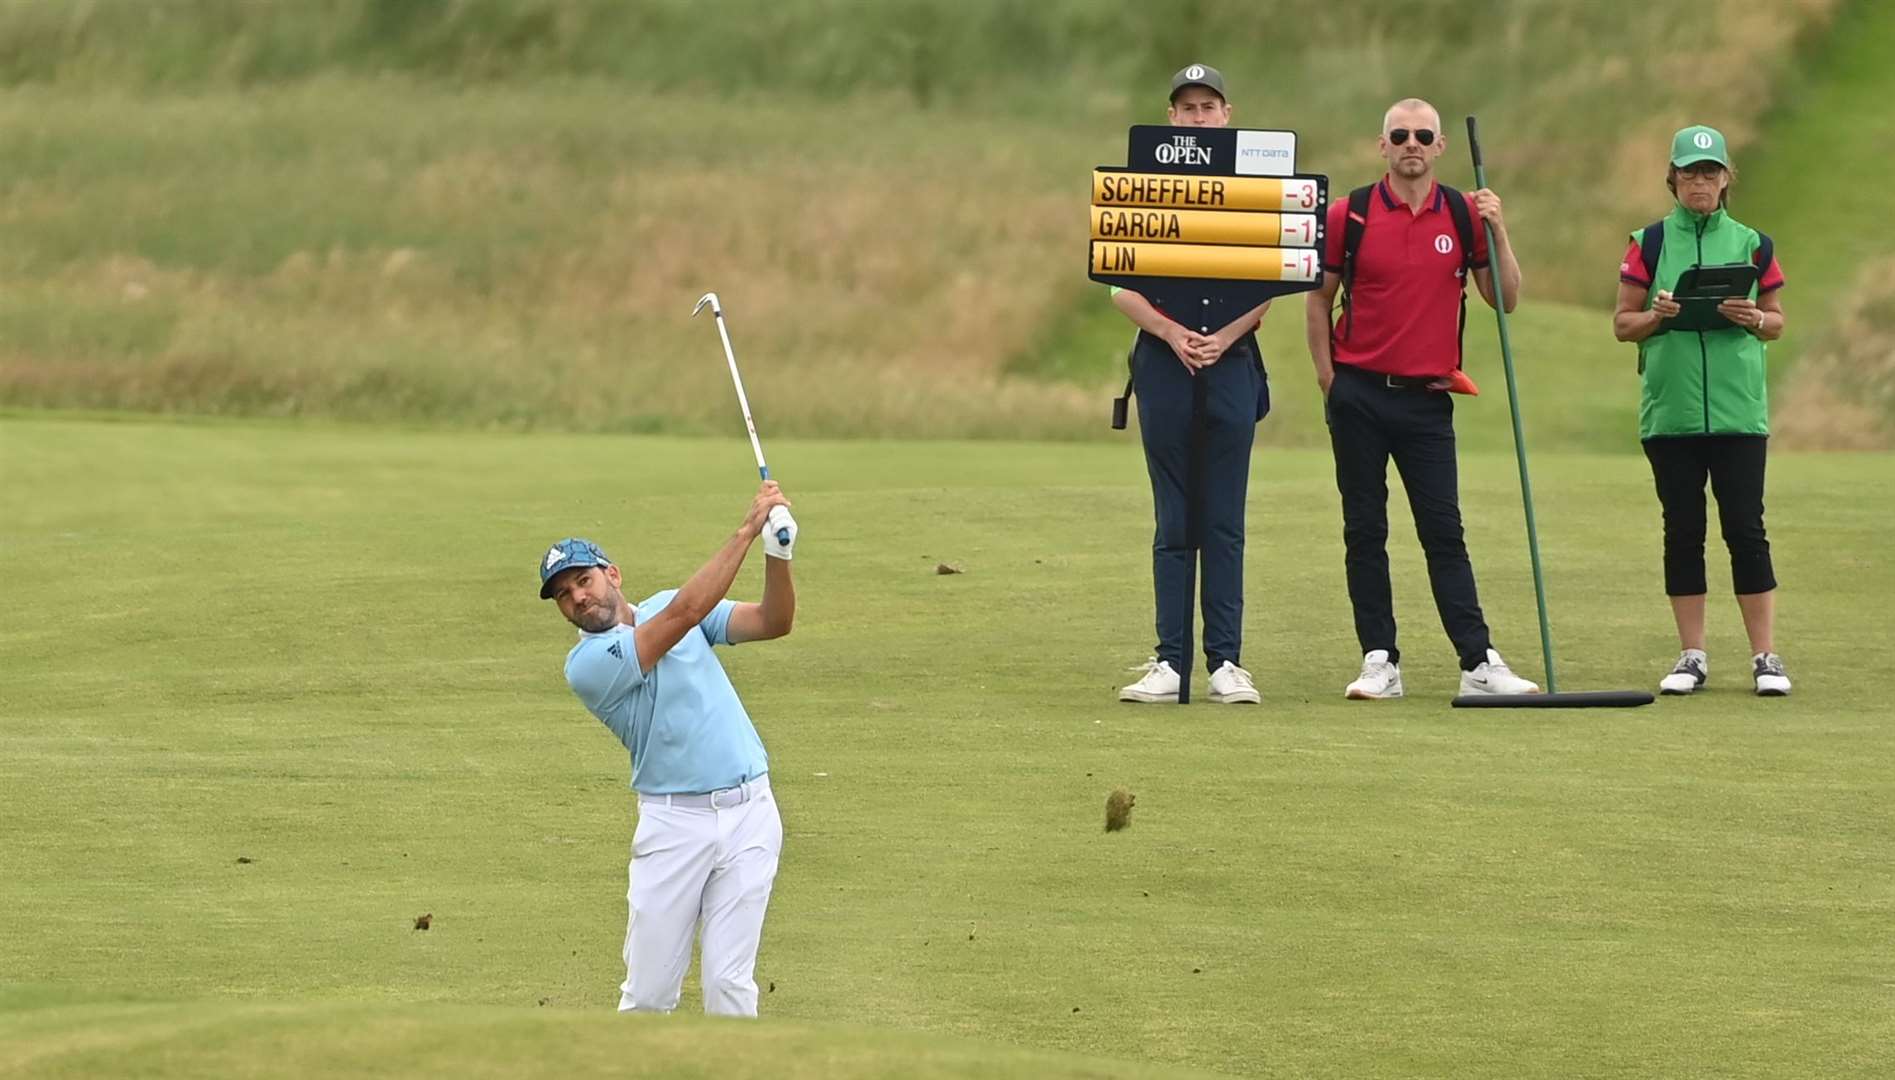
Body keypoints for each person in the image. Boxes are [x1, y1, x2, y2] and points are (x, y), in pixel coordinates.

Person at [1302, 97, 1539, 699]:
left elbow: (1504, 299)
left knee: (1443, 531)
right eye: (1400, 134)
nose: (1411, 144)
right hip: (1357, 392)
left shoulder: (1462, 214)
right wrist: (1329, 380)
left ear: (1439, 147)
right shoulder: (1350, 213)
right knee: (1365, 529)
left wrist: (1500, 230)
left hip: (1428, 399)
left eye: (1423, 135)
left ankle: (1478, 660)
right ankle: (1379, 659)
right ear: (1383, 145)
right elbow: (1317, 299)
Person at [537, 481, 798, 1015]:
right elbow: (680, 616)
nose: (578, 598)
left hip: (751, 813)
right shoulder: (587, 666)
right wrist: (746, 529)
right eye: (564, 595)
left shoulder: (664, 606)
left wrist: (778, 551)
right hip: (674, 827)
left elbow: (774, 622)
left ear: (612, 575)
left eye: (583, 581)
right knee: (649, 998)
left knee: (730, 989)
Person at [1612, 125, 1790, 696]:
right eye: (1689, 172)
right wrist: (1660, 315)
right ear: (1673, 178)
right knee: (1683, 532)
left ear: (1725, 179)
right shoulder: (1650, 243)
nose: (1699, 182)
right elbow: (1622, 324)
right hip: (1671, 413)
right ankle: (1692, 655)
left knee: (1746, 529)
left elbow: (1777, 320)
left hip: (1738, 412)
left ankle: (1766, 657)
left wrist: (1754, 319)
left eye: (1709, 172)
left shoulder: (1754, 244)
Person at [1116, 63, 1268, 707]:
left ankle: (1226, 662)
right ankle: (1170, 660)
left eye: (1209, 107)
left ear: (1226, 115)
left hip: (1231, 363)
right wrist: (1174, 334)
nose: (1199, 117)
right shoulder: (1142, 188)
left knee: (1224, 518)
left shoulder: (1255, 186)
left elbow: (1269, 283)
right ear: (1170, 117)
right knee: (1174, 516)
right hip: (1163, 364)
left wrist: (1222, 338)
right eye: (1188, 108)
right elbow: (1121, 283)